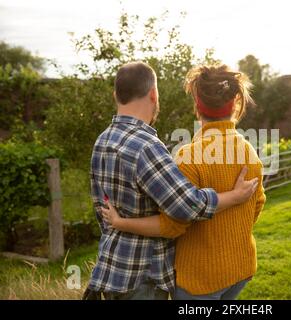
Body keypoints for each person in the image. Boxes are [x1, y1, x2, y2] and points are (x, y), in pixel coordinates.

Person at [85, 61, 258, 300]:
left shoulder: (102, 141)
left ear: (116, 95)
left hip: (114, 268)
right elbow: (186, 208)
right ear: (154, 94)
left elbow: (101, 208)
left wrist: (119, 223)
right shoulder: (147, 146)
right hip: (143, 274)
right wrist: (235, 197)